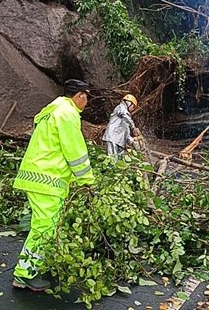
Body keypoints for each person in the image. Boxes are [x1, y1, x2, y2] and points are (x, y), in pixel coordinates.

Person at [12, 79, 95, 291]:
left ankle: (38, 264)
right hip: (48, 180)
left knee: (43, 225)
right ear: (79, 96)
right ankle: (25, 274)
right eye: (87, 97)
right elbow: (75, 151)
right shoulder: (67, 114)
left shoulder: (53, 109)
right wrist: (87, 180)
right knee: (44, 228)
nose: (87, 103)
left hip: (37, 176)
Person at [102, 94, 137, 160]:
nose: (132, 109)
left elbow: (126, 133)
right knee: (112, 160)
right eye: (133, 107)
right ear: (129, 103)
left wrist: (133, 141)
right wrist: (133, 127)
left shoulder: (126, 119)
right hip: (112, 138)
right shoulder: (121, 108)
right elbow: (125, 115)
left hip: (120, 142)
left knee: (119, 163)